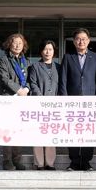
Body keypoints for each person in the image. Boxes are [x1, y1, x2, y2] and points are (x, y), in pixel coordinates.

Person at [58, 28, 96, 171]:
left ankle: (86, 161)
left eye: (84, 39)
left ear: (88, 41)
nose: (81, 41)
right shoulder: (68, 57)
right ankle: (74, 161)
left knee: (89, 131)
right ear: (74, 41)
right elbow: (63, 80)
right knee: (73, 131)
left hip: (90, 103)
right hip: (72, 102)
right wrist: (64, 99)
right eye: (78, 39)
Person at [0, 33, 30, 170]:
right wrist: (18, 90)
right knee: (8, 130)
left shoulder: (25, 61)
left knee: (18, 130)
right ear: (9, 44)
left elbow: (29, 78)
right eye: (14, 43)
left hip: (22, 100)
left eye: (20, 43)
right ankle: (7, 160)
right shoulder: (3, 60)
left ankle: (17, 160)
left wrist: (26, 88)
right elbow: (4, 78)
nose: (17, 45)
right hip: (8, 99)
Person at [27, 39, 59, 170]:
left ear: (54, 52)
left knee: (51, 133)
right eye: (45, 49)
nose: (47, 52)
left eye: (50, 49)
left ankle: (50, 163)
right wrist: (41, 99)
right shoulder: (35, 66)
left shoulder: (58, 67)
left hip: (54, 106)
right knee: (38, 133)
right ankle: (39, 163)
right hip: (38, 104)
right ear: (41, 51)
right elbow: (33, 83)